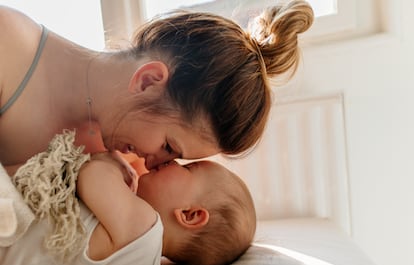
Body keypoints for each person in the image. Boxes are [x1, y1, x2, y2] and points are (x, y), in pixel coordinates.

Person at [0, 1, 314, 178]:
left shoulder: (112, 158)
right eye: (168, 147)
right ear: (148, 80)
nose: (152, 165)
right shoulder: (9, 47)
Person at [1, 131, 256, 265]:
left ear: (189, 215)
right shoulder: (143, 259)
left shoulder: (145, 228)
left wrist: (112, 160)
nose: (174, 161)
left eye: (187, 169)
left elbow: (93, 174)